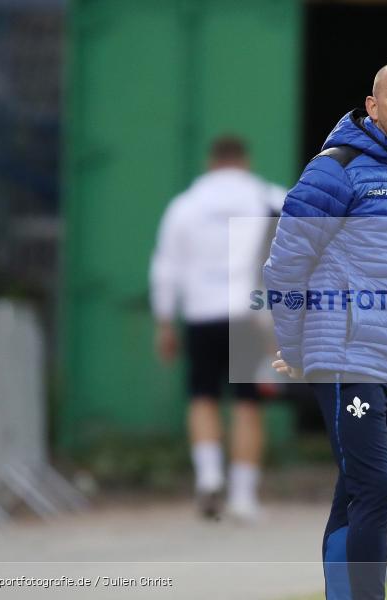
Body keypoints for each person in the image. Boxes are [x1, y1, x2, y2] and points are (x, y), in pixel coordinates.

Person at [264, 62, 387, 599]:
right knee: (376, 487)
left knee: (356, 493)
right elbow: (284, 267)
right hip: (344, 356)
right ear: (372, 106)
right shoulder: (334, 170)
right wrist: (294, 347)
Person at [150, 135, 285, 521]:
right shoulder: (266, 196)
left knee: (202, 397)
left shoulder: (185, 206)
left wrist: (164, 321)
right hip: (246, 314)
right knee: (248, 404)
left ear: (212, 162)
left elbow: (166, 266)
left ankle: (209, 477)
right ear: (245, 160)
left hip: (200, 313)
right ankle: (242, 497)